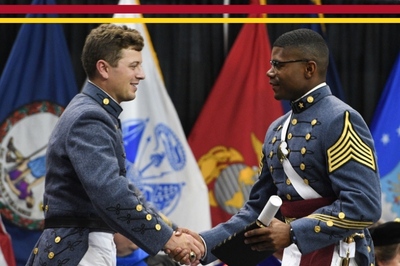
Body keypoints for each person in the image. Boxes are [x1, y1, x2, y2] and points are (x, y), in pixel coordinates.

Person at [168, 28, 381, 266]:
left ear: (309, 68)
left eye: (279, 65)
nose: (270, 72)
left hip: (339, 255)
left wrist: (293, 232)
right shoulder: (276, 129)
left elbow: (365, 205)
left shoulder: (342, 119)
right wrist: (204, 243)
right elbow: (257, 211)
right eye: (272, 64)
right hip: (295, 256)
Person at [25, 23, 203, 266]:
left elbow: (124, 189)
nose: (141, 74)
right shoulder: (89, 117)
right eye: (133, 66)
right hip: (79, 251)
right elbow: (112, 194)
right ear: (104, 68)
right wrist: (168, 239)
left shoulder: (95, 112)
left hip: (83, 246)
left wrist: (171, 230)